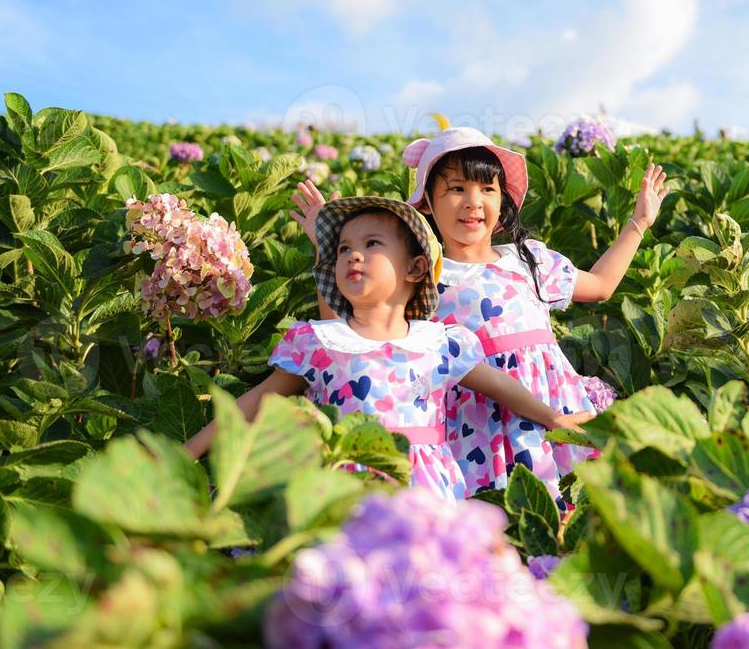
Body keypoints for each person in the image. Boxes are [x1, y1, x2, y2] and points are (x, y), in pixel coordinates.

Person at [291, 127, 669, 500]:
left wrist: (639, 223)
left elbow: (601, 285)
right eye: (456, 189)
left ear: (502, 201)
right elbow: (345, 336)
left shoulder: (527, 260)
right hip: (473, 434)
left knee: (569, 509)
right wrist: (329, 248)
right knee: (496, 524)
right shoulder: (420, 277)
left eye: (487, 189)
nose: (473, 201)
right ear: (426, 204)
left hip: (552, 415)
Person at [186, 195, 592, 502]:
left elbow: (501, 386)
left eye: (372, 244)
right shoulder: (319, 342)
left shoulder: (439, 342)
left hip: (426, 497)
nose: (353, 255)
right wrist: (187, 454)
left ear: (416, 268)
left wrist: (554, 418)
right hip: (344, 491)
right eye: (343, 249)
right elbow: (252, 404)